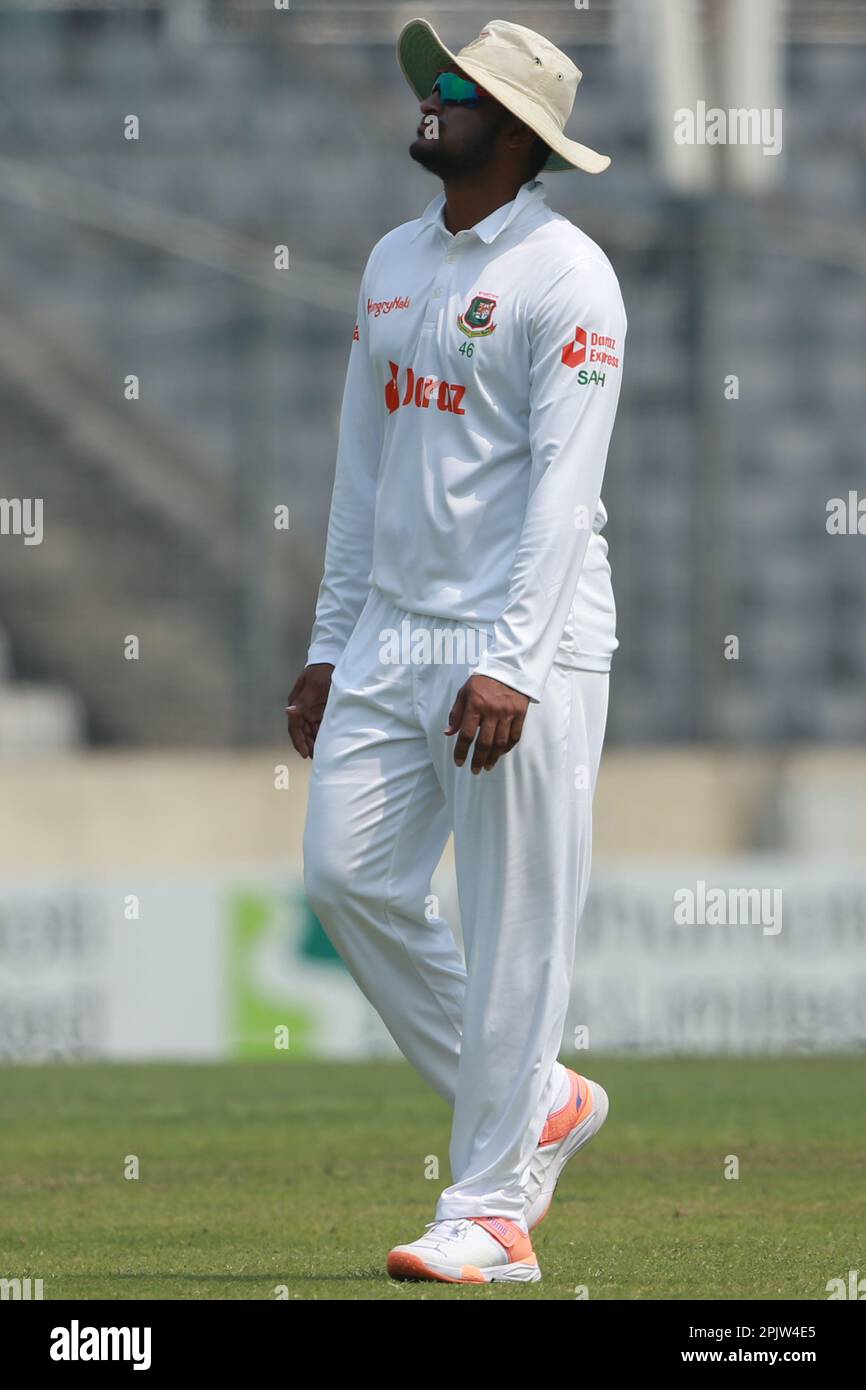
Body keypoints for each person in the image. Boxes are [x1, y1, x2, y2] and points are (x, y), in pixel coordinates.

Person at [287, 17, 626, 1285]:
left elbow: (562, 486)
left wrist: (515, 663)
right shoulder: (387, 260)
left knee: (512, 932)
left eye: (460, 89)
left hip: (514, 642)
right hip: (391, 632)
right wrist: (330, 642)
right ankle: (538, 1096)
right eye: (431, 81)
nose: (430, 96)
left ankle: (489, 1213)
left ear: (522, 134)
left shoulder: (567, 276)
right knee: (346, 879)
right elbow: (362, 471)